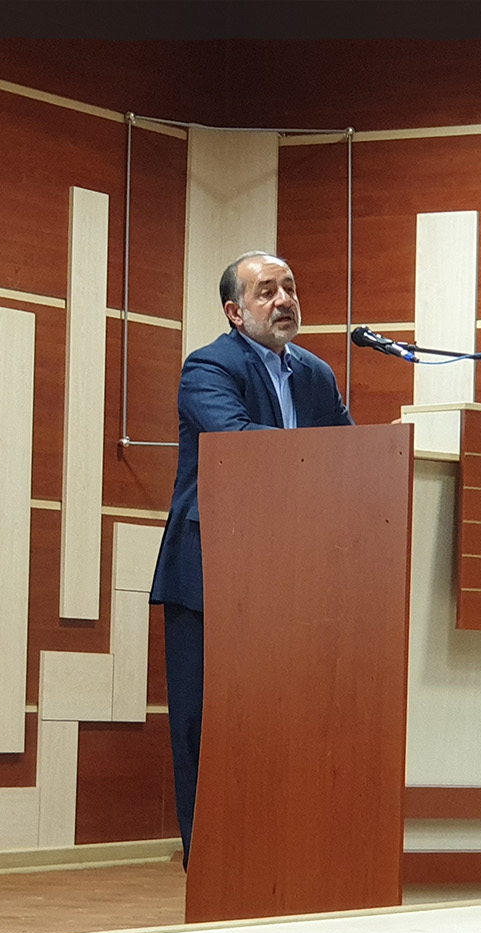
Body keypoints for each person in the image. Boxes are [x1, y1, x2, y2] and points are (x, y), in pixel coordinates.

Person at [148, 251, 353, 866]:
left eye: (290, 287)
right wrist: (319, 454)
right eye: (266, 291)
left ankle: (277, 858)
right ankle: (210, 862)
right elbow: (237, 445)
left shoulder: (316, 373)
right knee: (205, 725)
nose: (284, 299)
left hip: (291, 574)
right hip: (210, 571)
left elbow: (351, 453)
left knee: (280, 722)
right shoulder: (209, 366)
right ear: (235, 313)